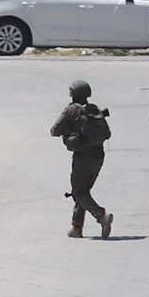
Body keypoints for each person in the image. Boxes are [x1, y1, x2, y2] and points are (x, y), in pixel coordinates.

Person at [50, 80, 114, 239]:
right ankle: (76, 228)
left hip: (82, 157)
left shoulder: (71, 110)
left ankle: (102, 216)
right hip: (98, 156)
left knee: (79, 192)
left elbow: (55, 130)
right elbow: (107, 133)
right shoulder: (94, 109)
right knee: (83, 191)